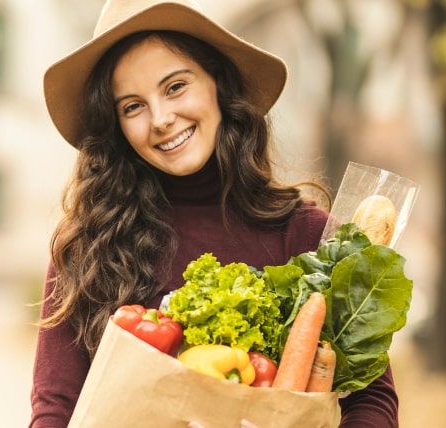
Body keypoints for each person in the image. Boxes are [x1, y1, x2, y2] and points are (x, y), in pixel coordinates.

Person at [29, 0, 399, 427]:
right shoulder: (88, 249)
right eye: (133, 106)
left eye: (175, 86)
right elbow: (54, 409)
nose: (162, 118)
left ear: (218, 85)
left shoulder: (309, 240)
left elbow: (372, 402)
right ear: (116, 125)